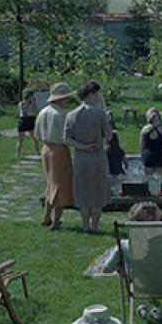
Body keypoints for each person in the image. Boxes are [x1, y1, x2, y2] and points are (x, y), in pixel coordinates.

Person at [65, 81, 113, 233]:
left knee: (83, 192)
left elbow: (67, 138)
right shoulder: (100, 114)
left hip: (80, 157)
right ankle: (95, 226)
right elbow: (109, 136)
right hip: (97, 156)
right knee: (97, 192)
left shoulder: (71, 114)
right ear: (91, 94)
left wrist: (83, 147)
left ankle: (85, 226)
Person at [34, 83, 76, 230]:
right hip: (59, 150)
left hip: (46, 148)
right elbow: (66, 137)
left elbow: (37, 134)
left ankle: (46, 216)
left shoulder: (42, 112)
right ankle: (55, 221)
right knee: (60, 185)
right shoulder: (62, 114)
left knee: (50, 183)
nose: (68, 101)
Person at [139, 107, 162, 177]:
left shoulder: (144, 129)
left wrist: (142, 158)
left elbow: (142, 146)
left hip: (148, 156)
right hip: (160, 156)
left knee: (147, 180)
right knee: (161, 181)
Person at [16, 89, 40, 159]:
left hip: (30, 120)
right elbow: (23, 112)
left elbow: (35, 112)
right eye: (31, 96)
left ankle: (37, 151)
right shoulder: (21, 103)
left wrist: (33, 104)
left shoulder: (33, 103)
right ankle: (18, 154)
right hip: (23, 121)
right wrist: (28, 105)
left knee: (35, 138)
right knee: (20, 140)